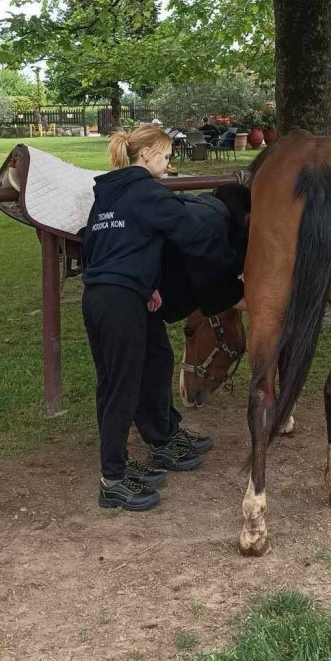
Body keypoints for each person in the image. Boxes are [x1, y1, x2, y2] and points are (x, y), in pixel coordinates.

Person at [80, 123, 219, 512]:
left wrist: (146, 286)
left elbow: (101, 245)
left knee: (155, 360)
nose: (169, 162)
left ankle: (159, 439)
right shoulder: (147, 192)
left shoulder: (108, 197)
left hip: (113, 296)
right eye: (167, 155)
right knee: (119, 386)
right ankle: (113, 479)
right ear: (146, 154)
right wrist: (229, 272)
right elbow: (193, 231)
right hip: (119, 301)